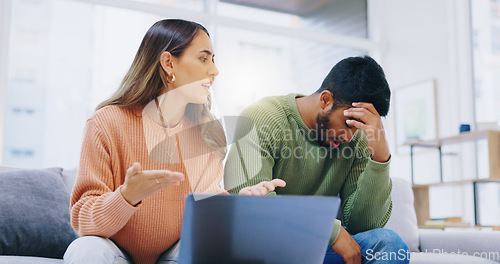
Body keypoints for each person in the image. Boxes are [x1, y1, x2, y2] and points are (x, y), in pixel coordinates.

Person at [64, 19, 284, 264]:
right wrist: (126, 196)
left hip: (173, 254)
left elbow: (206, 210)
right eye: (204, 58)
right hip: (114, 252)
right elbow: (84, 219)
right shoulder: (106, 123)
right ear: (169, 63)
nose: (214, 71)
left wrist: (239, 205)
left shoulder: (206, 134)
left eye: (213, 60)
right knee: (86, 250)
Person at [224, 56, 410, 264]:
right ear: (325, 99)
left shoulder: (355, 141)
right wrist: (328, 229)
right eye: (348, 124)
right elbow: (247, 204)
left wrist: (380, 157)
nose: (350, 137)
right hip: (268, 247)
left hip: (316, 249)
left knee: (388, 244)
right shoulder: (262, 117)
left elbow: (364, 226)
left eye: (358, 127)